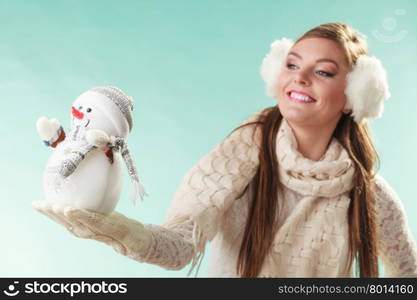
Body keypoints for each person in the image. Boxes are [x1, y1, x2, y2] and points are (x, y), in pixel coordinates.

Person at [33, 22, 417, 278]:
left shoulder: (370, 195)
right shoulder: (236, 161)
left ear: (354, 96)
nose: (299, 77)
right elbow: (180, 246)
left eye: (324, 71)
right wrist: (120, 231)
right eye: (293, 64)